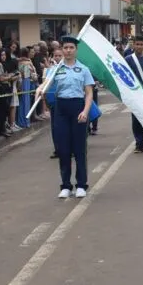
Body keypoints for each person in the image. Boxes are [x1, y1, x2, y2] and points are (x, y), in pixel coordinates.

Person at [36, 36, 94, 199]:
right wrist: (40, 90)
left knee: (79, 149)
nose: (68, 50)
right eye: (65, 48)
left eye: (71, 48)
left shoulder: (83, 69)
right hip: (61, 109)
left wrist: (85, 111)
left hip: (78, 108)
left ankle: (81, 184)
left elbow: (89, 93)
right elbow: (45, 84)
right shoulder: (56, 69)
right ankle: (66, 185)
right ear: (61, 50)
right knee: (64, 149)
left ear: (76, 50)